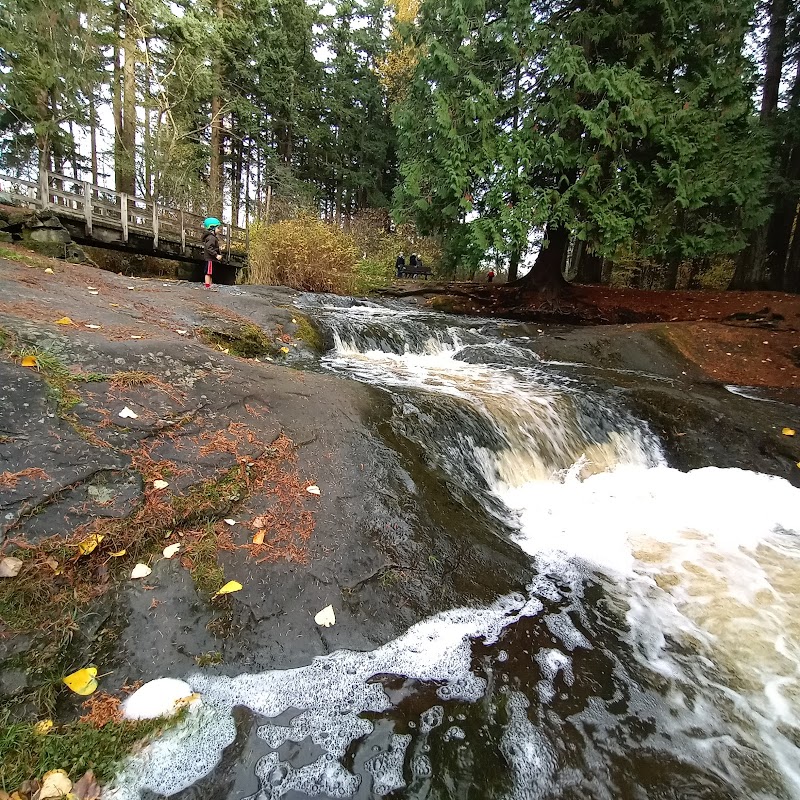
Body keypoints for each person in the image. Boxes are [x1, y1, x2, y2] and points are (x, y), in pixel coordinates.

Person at [202, 217, 223, 288]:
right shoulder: (211, 238)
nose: (219, 230)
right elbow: (208, 247)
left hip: (211, 259)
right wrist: (216, 255)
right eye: (218, 228)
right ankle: (207, 286)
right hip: (210, 259)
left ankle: (209, 285)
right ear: (212, 228)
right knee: (208, 273)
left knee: (210, 273)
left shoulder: (212, 237)